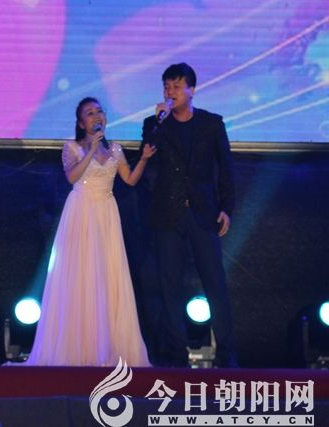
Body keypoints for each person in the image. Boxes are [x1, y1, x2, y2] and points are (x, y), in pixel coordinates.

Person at [24, 97, 155, 367]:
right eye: (90, 113)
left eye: (99, 111)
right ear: (81, 123)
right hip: (81, 212)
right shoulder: (72, 147)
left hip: (106, 213)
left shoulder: (115, 149)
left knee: (107, 274)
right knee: (81, 273)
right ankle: (78, 347)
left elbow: (130, 179)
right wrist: (91, 148)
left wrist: (143, 159)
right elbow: (72, 177)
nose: (96, 116)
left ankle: (108, 345)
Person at [140, 62, 237, 367]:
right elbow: (148, 152)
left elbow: (225, 168)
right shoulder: (154, 123)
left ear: (192, 89)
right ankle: (176, 353)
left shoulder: (211, 124)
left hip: (203, 212)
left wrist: (226, 208)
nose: (170, 93)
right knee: (169, 284)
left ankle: (227, 352)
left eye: (177, 87)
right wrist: (159, 122)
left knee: (215, 282)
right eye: (166, 87)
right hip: (167, 214)